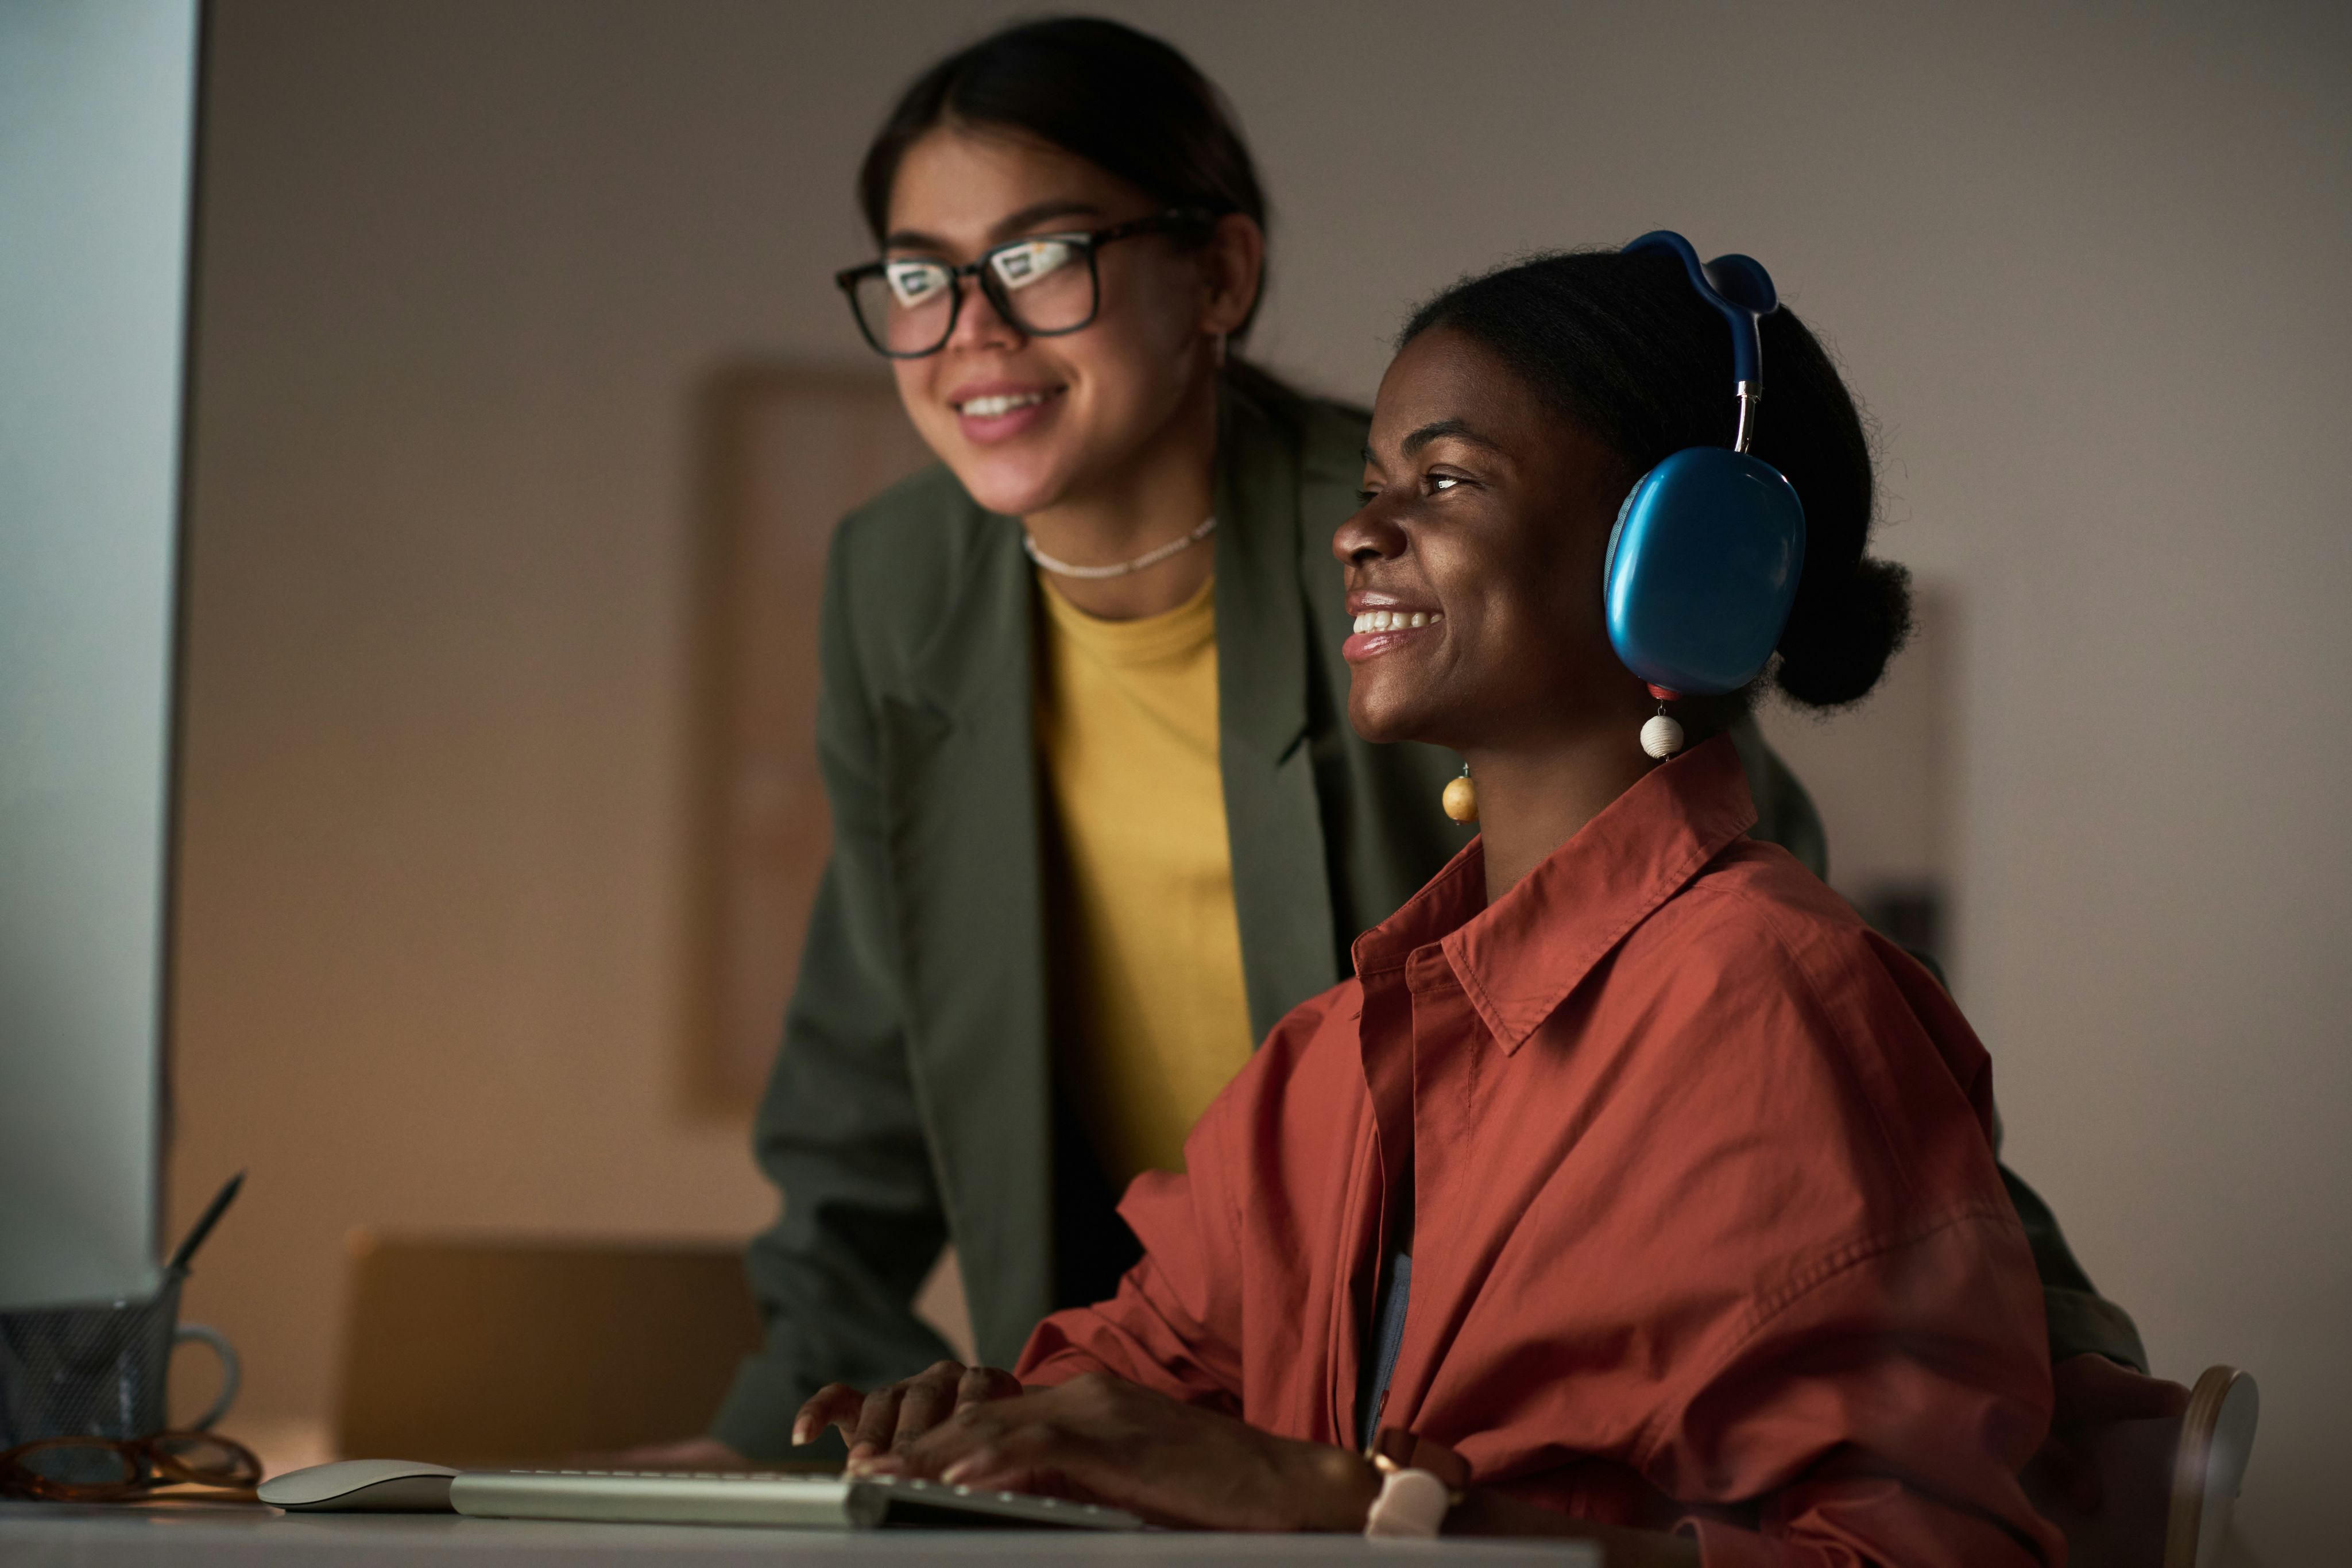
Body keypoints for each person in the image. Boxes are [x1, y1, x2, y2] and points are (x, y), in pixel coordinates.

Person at [678, 17, 2141, 1468]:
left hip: (1457, 1395)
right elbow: (865, 1064)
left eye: (1039, 258)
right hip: (1236, 1371)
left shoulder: (1464, 590)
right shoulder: (905, 593)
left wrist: (2077, 1415)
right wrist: (800, 1445)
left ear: (1218, 274)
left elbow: (1747, 996)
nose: (968, 330)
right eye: (918, 276)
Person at [795, 248, 2064, 1563]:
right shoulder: (1337, 1054)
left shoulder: (1770, 996)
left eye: (1445, 480)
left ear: (1679, 556)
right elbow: (1136, 1384)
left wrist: (1343, 1503)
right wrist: (993, 1427)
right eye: (1369, 488)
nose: (1356, 533)